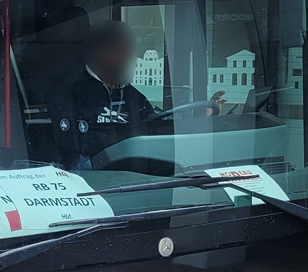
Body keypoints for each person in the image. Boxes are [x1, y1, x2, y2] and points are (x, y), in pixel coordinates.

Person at [51, 20, 224, 170]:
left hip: (138, 174)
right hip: (97, 178)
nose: (130, 58)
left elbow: (156, 125)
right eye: (122, 51)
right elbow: (72, 153)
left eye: (131, 51)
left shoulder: (134, 96)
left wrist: (200, 117)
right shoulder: (70, 93)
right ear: (100, 52)